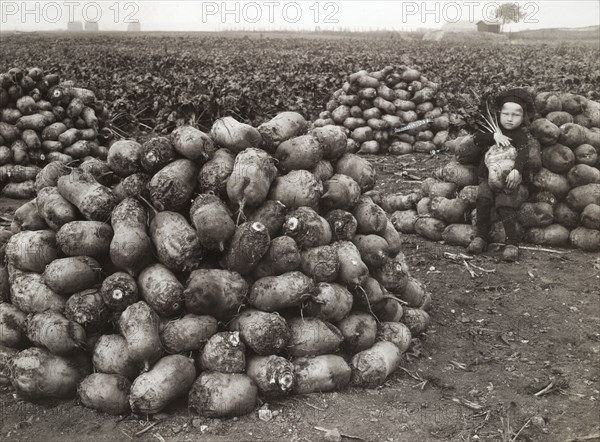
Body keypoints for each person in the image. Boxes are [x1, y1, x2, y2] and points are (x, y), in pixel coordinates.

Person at [465, 88, 538, 262]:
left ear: (523, 117)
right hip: (486, 178)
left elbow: (523, 154)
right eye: (506, 114)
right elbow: (476, 139)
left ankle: (512, 242)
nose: (510, 118)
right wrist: (494, 136)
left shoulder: (520, 136)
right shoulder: (492, 132)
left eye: (515, 115)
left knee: (504, 203)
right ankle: (481, 237)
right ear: (499, 113)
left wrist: (516, 170)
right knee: (483, 199)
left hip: (507, 180)